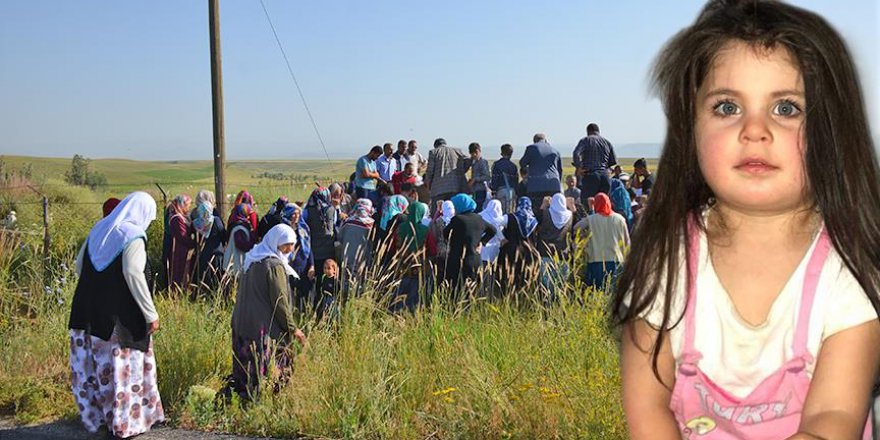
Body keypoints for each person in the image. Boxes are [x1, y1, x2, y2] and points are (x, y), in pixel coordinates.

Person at [615, 1, 880, 438]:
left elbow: (832, 419)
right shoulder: (667, 258)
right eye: (726, 107)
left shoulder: (847, 270)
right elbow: (647, 406)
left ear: (833, 132)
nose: (753, 130)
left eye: (787, 109)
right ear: (690, 127)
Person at [68, 191, 164, 438]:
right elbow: (133, 272)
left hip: (88, 312)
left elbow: (79, 267)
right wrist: (150, 312)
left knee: (98, 367)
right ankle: (126, 423)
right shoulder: (133, 236)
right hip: (120, 320)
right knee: (123, 368)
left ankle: (98, 418)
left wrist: (98, 291)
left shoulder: (99, 229)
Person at [230, 224, 306, 400]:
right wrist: (292, 328)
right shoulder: (273, 265)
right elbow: (280, 302)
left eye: (292, 244)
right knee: (274, 372)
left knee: (247, 374)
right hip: (263, 330)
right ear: (275, 242)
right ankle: (269, 404)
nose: (289, 249)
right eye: (285, 244)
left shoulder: (252, 259)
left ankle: (246, 402)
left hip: (243, 326)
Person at [444, 194, 497, 294]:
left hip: (458, 260)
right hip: (475, 260)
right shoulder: (479, 218)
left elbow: (445, 234)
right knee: (473, 292)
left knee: (456, 292)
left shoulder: (457, 219)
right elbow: (493, 230)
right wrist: (482, 242)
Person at [581, 193, 629, 291]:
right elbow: (627, 241)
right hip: (616, 260)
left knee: (597, 291)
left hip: (596, 260)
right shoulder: (620, 219)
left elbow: (576, 227)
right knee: (613, 292)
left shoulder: (591, 219)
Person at [535, 193, 573, 303]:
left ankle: (547, 304)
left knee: (546, 283)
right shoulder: (570, 215)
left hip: (545, 252)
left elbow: (536, 220)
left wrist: (543, 204)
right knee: (561, 283)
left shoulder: (546, 213)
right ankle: (559, 304)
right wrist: (572, 207)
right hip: (563, 253)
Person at [497, 197, 539, 292]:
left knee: (509, 278)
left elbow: (495, 222)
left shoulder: (510, 217)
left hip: (511, 251)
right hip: (529, 253)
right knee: (525, 278)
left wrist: (502, 238)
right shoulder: (534, 221)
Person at [573, 123, 617, 204]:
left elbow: (576, 153)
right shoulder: (607, 142)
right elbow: (612, 161)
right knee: (603, 204)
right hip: (605, 176)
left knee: (588, 203)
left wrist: (579, 167)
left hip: (591, 175)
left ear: (588, 131)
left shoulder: (586, 140)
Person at [338, 199, 375, 295]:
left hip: (347, 258)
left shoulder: (348, 222)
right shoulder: (371, 224)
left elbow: (340, 237)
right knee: (359, 285)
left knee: (345, 283)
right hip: (362, 260)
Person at [519, 133, 563, 216]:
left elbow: (522, 163)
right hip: (554, 185)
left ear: (534, 141)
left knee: (537, 211)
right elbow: (560, 170)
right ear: (545, 140)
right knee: (554, 210)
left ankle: (539, 227)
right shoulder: (555, 150)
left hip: (536, 185)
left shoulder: (531, 148)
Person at [281, 203, 313, 313]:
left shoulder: (304, 228)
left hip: (303, 267)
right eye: (293, 214)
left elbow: (309, 248)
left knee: (303, 296)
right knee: (289, 296)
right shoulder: (282, 230)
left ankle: (302, 317)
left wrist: (312, 265)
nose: (296, 216)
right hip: (288, 267)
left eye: (298, 213)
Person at [303, 187, 337, 284]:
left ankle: (316, 297)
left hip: (314, 250)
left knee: (316, 279)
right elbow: (334, 225)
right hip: (329, 250)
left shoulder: (308, 209)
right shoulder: (331, 209)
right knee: (328, 279)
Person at [191, 200, 226, 292]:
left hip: (203, 255)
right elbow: (223, 235)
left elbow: (193, 239)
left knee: (204, 279)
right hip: (217, 254)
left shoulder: (195, 223)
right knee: (218, 280)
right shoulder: (216, 220)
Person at [425, 138, 468, 208]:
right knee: (452, 210)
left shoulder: (433, 152)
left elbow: (430, 171)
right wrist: (461, 171)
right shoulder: (457, 151)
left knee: (437, 211)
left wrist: (428, 185)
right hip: (455, 186)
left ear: (435, 145)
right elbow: (468, 159)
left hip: (438, 188)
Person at [166, 194, 195, 290]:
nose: (188, 208)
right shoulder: (177, 219)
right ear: (182, 205)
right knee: (179, 273)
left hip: (182, 250)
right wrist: (194, 244)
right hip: (179, 251)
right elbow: (182, 236)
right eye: (187, 205)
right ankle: (178, 293)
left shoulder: (181, 216)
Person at [224, 202, 257, 279]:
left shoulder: (235, 224)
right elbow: (241, 245)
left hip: (235, 264)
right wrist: (254, 245)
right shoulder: (239, 228)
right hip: (236, 265)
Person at [426, 200, 455, 284]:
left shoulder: (437, 221)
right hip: (453, 250)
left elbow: (433, 235)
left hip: (440, 249)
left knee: (440, 272)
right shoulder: (457, 220)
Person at [397, 200, 429, 266]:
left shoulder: (400, 227)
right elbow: (432, 249)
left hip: (400, 266)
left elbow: (392, 247)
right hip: (420, 265)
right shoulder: (425, 230)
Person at [489, 143, 518, 214]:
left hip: (500, 191)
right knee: (510, 213)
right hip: (511, 191)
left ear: (501, 153)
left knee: (500, 212)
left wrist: (494, 191)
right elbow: (516, 180)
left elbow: (494, 179)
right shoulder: (513, 166)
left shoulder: (497, 164)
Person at [465, 142, 490, 212]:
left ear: (479, 151)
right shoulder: (474, 162)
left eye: (476, 152)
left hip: (481, 190)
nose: (474, 155)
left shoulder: (482, 162)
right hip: (474, 190)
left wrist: (475, 179)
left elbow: (487, 176)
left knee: (478, 209)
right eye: (472, 153)